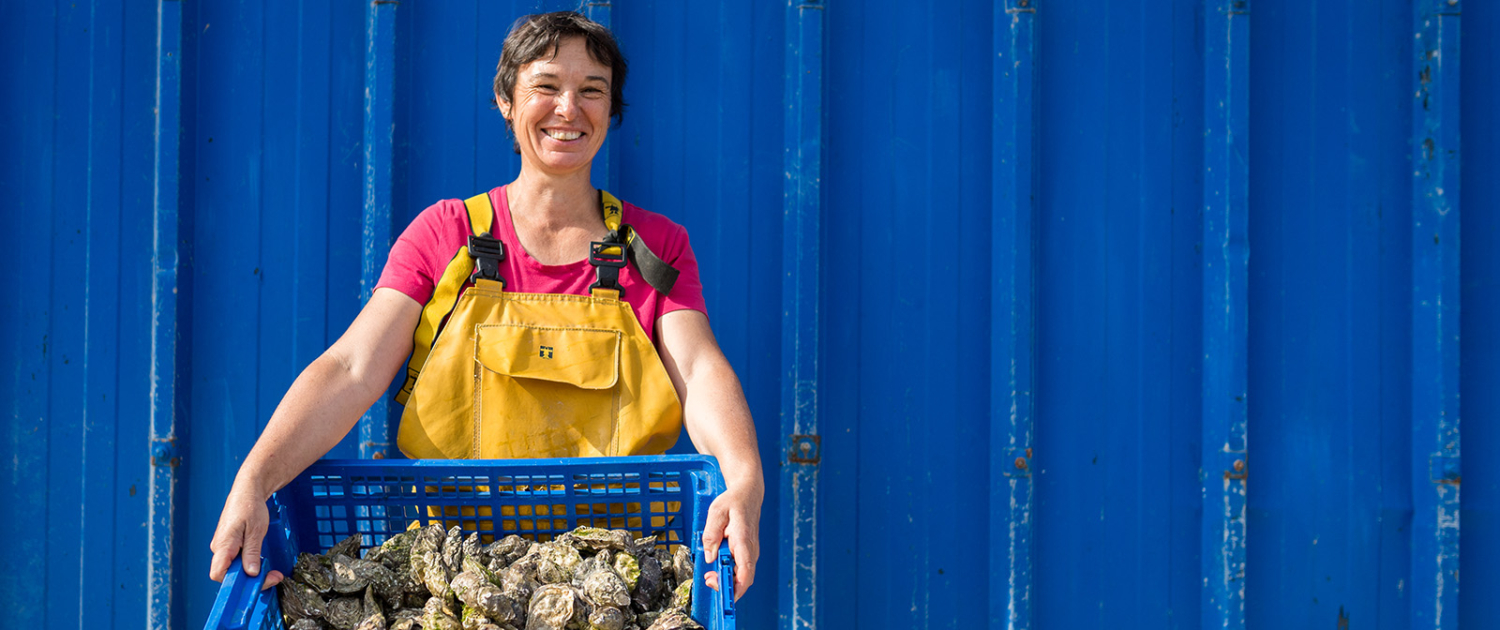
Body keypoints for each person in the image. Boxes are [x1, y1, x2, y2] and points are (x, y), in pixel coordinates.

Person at [207, 11, 762, 602]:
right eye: (546, 86)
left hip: (615, 577)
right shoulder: (446, 235)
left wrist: (745, 478)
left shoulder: (652, 246)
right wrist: (255, 478)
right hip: (451, 578)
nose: (569, 108)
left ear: (611, 110)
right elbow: (351, 368)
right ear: (506, 99)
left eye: (591, 91)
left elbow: (699, 370)